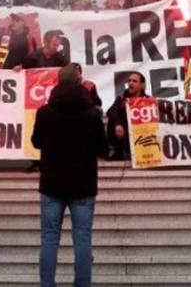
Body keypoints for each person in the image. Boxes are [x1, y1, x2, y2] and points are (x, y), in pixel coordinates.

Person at [31, 63, 109, 287]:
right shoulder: (92, 113)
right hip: (84, 184)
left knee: (49, 238)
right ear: (79, 82)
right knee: (82, 239)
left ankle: (47, 284)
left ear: (58, 82)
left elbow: (36, 142)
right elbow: (102, 149)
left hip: (52, 184)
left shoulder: (45, 112)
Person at [105, 72, 148, 162]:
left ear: (142, 85)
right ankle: (116, 151)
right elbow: (111, 111)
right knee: (113, 119)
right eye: (129, 81)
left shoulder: (147, 100)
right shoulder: (121, 99)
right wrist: (118, 124)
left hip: (140, 135)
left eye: (134, 81)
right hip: (123, 134)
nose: (130, 83)